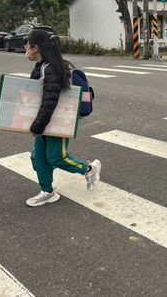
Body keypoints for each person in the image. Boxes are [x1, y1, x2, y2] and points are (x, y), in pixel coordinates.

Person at [25, 29, 101, 207]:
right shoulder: (43, 66)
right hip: (46, 120)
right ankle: (47, 191)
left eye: (28, 46)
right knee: (40, 157)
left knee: (57, 157)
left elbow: (49, 101)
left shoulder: (52, 68)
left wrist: (37, 126)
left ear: (36, 48)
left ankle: (89, 169)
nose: (26, 49)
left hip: (60, 120)